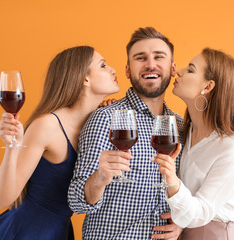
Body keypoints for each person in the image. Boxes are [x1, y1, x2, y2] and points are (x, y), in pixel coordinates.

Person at [0, 46, 120, 240]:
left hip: (58, 233)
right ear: (84, 79)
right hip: (22, 232)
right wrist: (11, 147)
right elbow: (2, 199)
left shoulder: (97, 127)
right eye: (103, 65)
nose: (113, 70)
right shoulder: (48, 125)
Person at [68, 27, 185, 239]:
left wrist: (183, 223)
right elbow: (76, 202)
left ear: (173, 68)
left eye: (159, 57)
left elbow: (189, 193)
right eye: (141, 58)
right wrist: (98, 179)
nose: (150, 64)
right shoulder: (105, 118)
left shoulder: (181, 126)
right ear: (128, 70)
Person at [152, 48, 234, 239]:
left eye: (191, 70)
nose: (179, 71)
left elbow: (202, 211)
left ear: (208, 87)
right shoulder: (186, 131)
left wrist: (172, 180)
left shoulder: (232, 148)